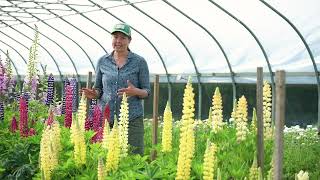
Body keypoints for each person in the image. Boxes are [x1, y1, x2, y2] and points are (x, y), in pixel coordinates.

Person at [82, 23, 151, 155]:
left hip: (131, 119)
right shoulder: (103, 61)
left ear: (129, 40)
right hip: (106, 119)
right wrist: (94, 94)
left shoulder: (139, 62)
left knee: (133, 157)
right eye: (115, 37)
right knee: (106, 158)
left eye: (123, 38)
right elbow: (98, 89)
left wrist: (135, 91)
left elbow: (147, 92)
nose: (118, 41)